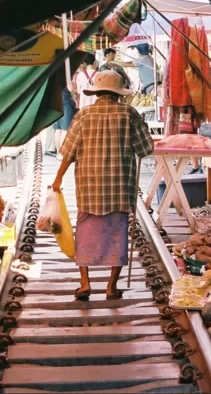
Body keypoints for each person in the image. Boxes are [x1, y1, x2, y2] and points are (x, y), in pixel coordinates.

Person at [52, 70, 154, 301]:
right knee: (117, 235)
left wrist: (58, 179)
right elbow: (145, 149)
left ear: (97, 92)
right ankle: (111, 287)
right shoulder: (129, 114)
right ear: (118, 93)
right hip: (118, 189)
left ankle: (85, 283)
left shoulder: (83, 115)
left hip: (89, 190)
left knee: (85, 233)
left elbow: (68, 151)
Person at [53, 79, 77, 161]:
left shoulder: (55, 78)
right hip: (65, 104)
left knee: (58, 129)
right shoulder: (66, 76)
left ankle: (58, 153)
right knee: (64, 130)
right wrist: (74, 85)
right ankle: (62, 154)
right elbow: (70, 88)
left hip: (56, 103)